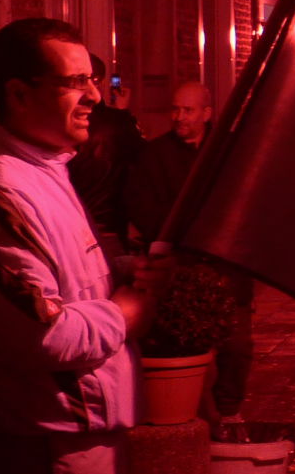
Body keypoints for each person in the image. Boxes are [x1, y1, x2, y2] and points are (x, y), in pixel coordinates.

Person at [0, 18, 166, 474]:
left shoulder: (46, 168)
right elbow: (44, 333)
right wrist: (124, 314)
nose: (94, 97)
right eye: (75, 83)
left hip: (77, 424)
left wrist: (121, 272)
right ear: (20, 94)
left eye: (93, 80)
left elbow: (62, 276)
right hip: (50, 433)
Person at [124, 81, 252, 422]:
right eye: (175, 109)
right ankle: (187, 411)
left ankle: (228, 411)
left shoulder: (228, 152)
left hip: (226, 264)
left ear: (206, 114)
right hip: (180, 264)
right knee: (179, 343)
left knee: (236, 346)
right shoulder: (156, 155)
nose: (179, 117)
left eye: (188, 110)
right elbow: (142, 205)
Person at [68, 55, 144, 257]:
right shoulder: (118, 124)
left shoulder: (64, 126)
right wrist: (123, 114)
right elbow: (140, 165)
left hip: (73, 228)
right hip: (108, 229)